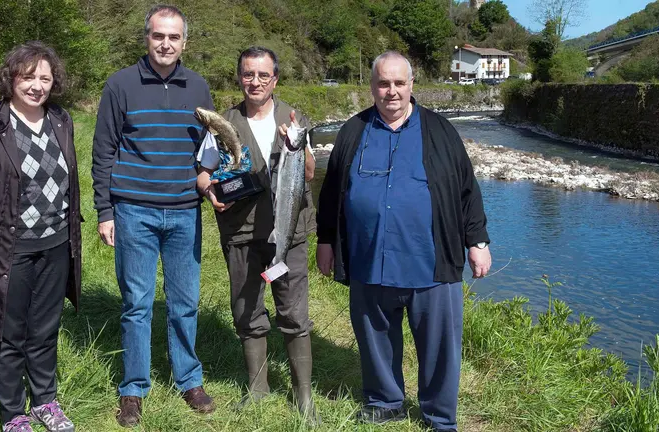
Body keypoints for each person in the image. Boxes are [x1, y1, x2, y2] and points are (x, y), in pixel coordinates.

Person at [315, 51, 492, 431]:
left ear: (411, 85)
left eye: (398, 83)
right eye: (383, 83)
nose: (391, 91)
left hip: (430, 262)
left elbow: (466, 189)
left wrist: (476, 240)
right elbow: (331, 193)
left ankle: (439, 416)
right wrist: (326, 240)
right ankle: (385, 402)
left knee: (440, 348)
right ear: (372, 86)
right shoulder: (352, 131)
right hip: (369, 258)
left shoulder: (441, 130)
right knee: (375, 337)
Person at [91, 5, 218, 427]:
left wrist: (213, 182)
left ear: (185, 41)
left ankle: (188, 378)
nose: (166, 43)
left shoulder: (198, 87)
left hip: (184, 212)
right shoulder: (120, 84)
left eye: (174, 37)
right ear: (146, 37)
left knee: (185, 302)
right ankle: (133, 388)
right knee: (137, 304)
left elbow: (209, 149)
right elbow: (104, 150)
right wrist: (104, 211)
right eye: (158, 35)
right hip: (133, 211)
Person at [0, 41, 81, 432]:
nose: (37, 85)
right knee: (7, 335)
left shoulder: (61, 119)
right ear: (12, 78)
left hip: (56, 244)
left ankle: (45, 402)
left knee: (44, 329)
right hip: (7, 250)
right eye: (29, 77)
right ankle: (13, 414)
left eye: (45, 77)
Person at [196, 47, 318, 421]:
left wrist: (295, 146)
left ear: (275, 80)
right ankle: (258, 389)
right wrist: (209, 190)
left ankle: (304, 398)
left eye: (263, 75)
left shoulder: (292, 119)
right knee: (247, 312)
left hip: (289, 234)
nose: (256, 82)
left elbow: (310, 172)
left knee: (295, 314)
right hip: (241, 233)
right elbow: (204, 170)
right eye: (249, 74)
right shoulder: (224, 122)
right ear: (240, 77)